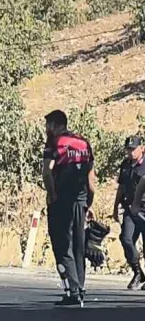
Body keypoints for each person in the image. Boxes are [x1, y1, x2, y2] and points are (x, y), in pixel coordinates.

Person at [42, 110, 97, 307]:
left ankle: (72, 291)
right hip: (80, 201)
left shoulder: (54, 143)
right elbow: (91, 179)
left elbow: (47, 172)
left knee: (62, 245)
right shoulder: (83, 143)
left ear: (55, 125)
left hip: (61, 201)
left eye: (48, 125)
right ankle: (81, 287)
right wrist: (89, 203)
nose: (46, 129)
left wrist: (51, 193)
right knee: (78, 245)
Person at [114, 136, 145, 289]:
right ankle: (138, 272)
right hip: (130, 209)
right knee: (126, 239)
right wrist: (115, 208)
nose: (131, 152)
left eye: (133, 149)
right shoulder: (125, 165)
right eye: (128, 149)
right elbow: (121, 187)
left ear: (142, 148)